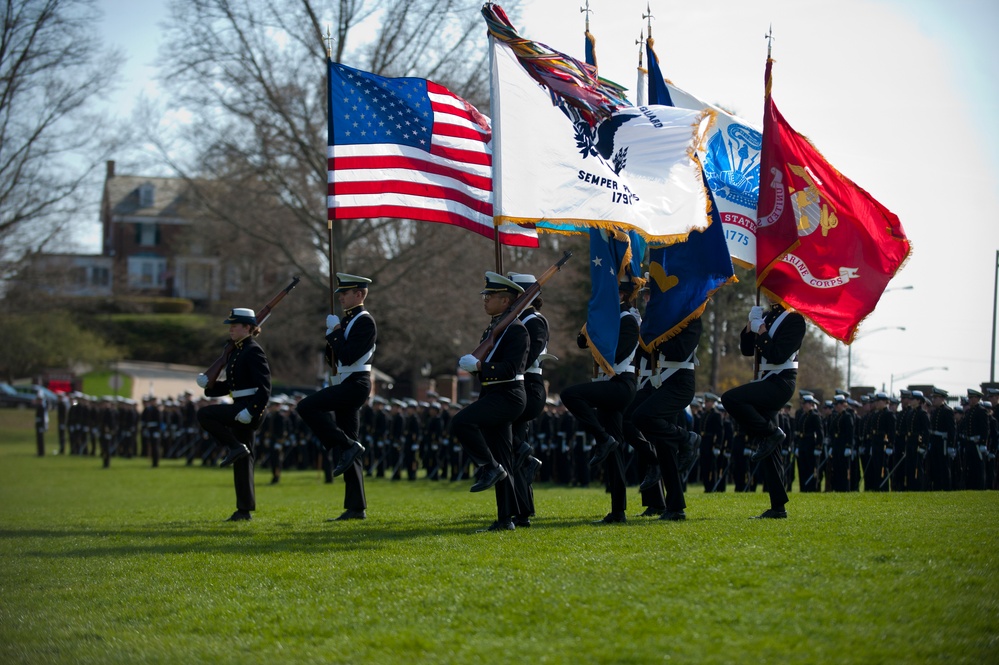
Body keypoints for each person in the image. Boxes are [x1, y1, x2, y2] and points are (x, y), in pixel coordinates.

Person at [449, 271, 529, 532]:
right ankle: (506, 519)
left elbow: (511, 368)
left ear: (505, 301)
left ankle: (488, 467)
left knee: (461, 422)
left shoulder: (517, 330)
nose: (485, 300)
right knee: (503, 458)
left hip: (508, 395)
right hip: (494, 394)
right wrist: (475, 367)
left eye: (490, 296)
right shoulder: (495, 328)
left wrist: (481, 365)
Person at [296, 273, 377, 521]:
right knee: (350, 446)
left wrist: (334, 333)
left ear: (360, 295)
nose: (341, 297)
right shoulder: (347, 322)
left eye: (346, 293)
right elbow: (336, 358)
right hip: (345, 381)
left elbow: (350, 355)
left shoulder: (365, 322)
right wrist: (333, 334)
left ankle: (347, 445)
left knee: (306, 407)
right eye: (340, 293)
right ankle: (356, 507)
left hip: (356, 383)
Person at [560, 279, 641, 524]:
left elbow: (615, 354)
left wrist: (602, 326)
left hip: (621, 384)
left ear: (623, 295)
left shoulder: (628, 320)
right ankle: (618, 511)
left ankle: (602, 439)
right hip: (608, 385)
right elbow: (581, 342)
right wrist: (595, 319)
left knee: (570, 394)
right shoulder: (606, 317)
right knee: (614, 451)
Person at [721, 300, 805, 518]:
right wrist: (750, 326)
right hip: (765, 380)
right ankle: (778, 506)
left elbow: (777, 354)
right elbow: (747, 350)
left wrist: (763, 331)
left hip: (780, 383)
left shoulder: (795, 319)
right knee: (770, 450)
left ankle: (771, 433)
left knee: (730, 398)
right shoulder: (767, 316)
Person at [196, 307, 272, 522]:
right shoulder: (236, 350)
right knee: (243, 459)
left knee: (205, 415)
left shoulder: (253, 350)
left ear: (247, 327)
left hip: (249, 408)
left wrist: (251, 410)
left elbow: (265, 388)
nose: (230, 329)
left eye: (234, 325)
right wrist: (209, 386)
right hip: (240, 404)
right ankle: (244, 510)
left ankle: (234, 446)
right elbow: (233, 384)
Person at [630, 316, 703, 521]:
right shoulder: (657, 319)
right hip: (658, 382)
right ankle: (673, 503)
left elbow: (679, 351)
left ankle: (675, 506)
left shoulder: (691, 320)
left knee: (663, 443)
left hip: (679, 383)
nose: (648, 299)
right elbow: (642, 353)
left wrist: (658, 334)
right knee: (632, 418)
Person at [507, 272, 551, 527]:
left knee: (510, 442)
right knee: (515, 451)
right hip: (518, 384)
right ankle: (522, 510)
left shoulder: (534, 322)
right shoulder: (515, 320)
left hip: (529, 386)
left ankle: (521, 510)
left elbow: (527, 355)